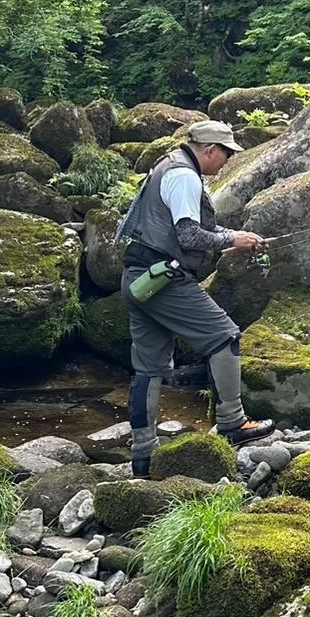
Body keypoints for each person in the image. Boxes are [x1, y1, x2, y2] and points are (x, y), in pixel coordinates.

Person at [117, 119, 274, 477]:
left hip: (138, 280)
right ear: (209, 150)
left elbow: (194, 229)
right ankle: (233, 422)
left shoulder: (167, 166)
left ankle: (143, 457)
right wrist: (231, 242)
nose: (227, 162)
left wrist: (238, 235)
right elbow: (188, 235)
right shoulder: (185, 177)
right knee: (224, 336)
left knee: (148, 367)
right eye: (226, 154)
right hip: (164, 281)